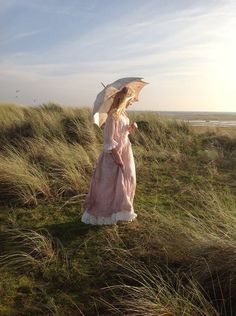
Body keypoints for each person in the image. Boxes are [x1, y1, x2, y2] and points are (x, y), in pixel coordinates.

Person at [81, 86, 138, 225]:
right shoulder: (113, 115)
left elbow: (121, 134)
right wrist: (117, 157)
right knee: (110, 184)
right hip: (114, 154)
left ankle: (121, 211)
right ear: (125, 99)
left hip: (125, 150)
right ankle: (107, 214)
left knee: (128, 178)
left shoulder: (123, 114)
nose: (132, 103)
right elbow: (108, 139)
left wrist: (129, 128)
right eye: (130, 100)